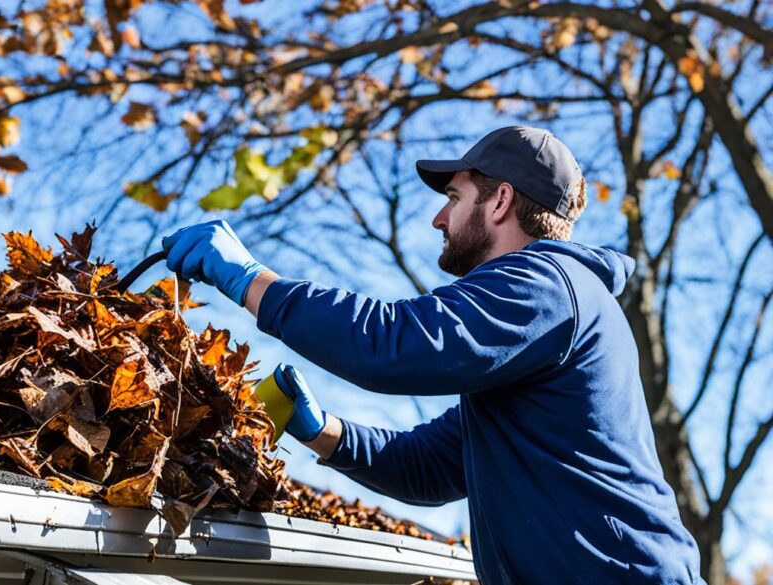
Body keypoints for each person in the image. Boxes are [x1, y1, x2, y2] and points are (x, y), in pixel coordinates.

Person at [160, 126, 704, 584]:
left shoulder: (546, 285)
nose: (439, 220)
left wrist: (253, 281)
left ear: (501, 200)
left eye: (453, 198)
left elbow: (390, 344)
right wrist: (320, 428)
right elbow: (430, 467)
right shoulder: (533, 325)